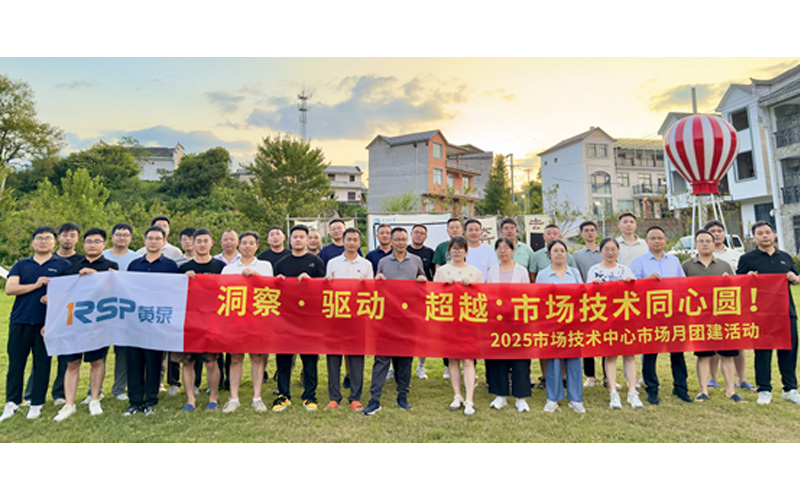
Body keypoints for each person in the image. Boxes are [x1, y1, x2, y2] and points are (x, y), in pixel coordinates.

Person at [1, 227, 71, 422]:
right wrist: (36, 285)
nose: (43, 241)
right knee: (16, 364)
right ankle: (12, 402)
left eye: (48, 238)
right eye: (39, 238)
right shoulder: (21, 265)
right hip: (20, 320)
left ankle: (36, 403)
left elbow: (70, 292)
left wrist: (53, 298)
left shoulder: (62, 265)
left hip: (46, 324)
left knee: (42, 364)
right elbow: (10, 288)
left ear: (54, 243)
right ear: (32, 242)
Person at [53, 228, 120, 422]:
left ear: (104, 245)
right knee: (72, 363)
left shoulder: (111, 266)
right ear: (83, 244)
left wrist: (95, 275)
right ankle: (69, 404)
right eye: (89, 241)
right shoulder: (71, 267)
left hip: (99, 322)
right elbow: (62, 295)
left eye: (97, 241)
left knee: (97, 361)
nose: (92, 245)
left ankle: (95, 399)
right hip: (74, 322)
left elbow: (115, 291)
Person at [363, 227, 427, 415]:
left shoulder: (415, 260)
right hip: (386, 319)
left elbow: (423, 282)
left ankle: (402, 396)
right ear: (391, 242)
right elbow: (376, 288)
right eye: (397, 239)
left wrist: (422, 278)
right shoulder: (383, 262)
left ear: (407, 241)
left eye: (403, 239)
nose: (401, 243)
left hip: (408, 319)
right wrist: (378, 279)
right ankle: (375, 398)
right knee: (381, 359)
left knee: (405, 359)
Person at [736, 221, 800, 405]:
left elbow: (796, 278)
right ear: (754, 237)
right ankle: (764, 389)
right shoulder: (747, 259)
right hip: (760, 314)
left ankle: (790, 388)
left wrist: (795, 278)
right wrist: (748, 278)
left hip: (786, 312)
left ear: (773, 235)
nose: (765, 236)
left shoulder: (785, 257)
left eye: (767, 232)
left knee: (789, 350)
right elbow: (737, 283)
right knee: (763, 352)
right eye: (760, 233)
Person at [123, 225, 179, 416]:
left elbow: (175, 292)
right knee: (134, 362)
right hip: (135, 321)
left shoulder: (171, 266)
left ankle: (150, 401)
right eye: (150, 238)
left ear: (164, 242)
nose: (153, 242)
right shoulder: (134, 265)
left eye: (157, 239)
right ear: (144, 241)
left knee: (153, 362)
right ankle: (135, 401)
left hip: (157, 322)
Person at [631, 226, 690, 405]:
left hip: (673, 311)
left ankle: (680, 387)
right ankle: (652, 388)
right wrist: (647, 281)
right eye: (653, 238)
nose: (657, 241)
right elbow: (633, 287)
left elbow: (683, 283)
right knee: (650, 352)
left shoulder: (674, 260)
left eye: (660, 238)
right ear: (646, 241)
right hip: (650, 312)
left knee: (677, 351)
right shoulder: (638, 262)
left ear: (665, 241)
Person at [682, 230, 743, 403]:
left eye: (708, 241)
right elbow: (680, 289)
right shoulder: (687, 266)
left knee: (727, 355)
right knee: (703, 355)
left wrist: (728, 281)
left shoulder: (724, 266)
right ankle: (703, 390)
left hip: (723, 316)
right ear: (696, 244)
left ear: (713, 243)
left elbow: (736, 288)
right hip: (699, 318)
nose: (705, 244)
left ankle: (731, 390)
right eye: (701, 241)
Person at [272, 225, 326, 412]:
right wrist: (278, 281)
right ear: (290, 240)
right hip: (286, 318)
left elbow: (323, 289)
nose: (298, 240)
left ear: (307, 240)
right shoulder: (281, 263)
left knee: (309, 358)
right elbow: (273, 292)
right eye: (295, 237)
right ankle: (283, 395)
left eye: (302, 237)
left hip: (308, 318)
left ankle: (310, 395)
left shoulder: (316, 262)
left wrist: (311, 282)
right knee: (283, 358)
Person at [586, 238, 643, 409]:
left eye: (613, 249)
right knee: (610, 355)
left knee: (629, 355)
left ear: (618, 251)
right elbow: (587, 294)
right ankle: (613, 391)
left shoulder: (625, 270)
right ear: (601, 251)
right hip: (605, 318)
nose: (610, 253)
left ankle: (632, 391)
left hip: (625, 318)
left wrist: (631, 283)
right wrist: (594, 286)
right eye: (607, 249)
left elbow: (636, 293)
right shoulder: (594, 270)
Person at [221, 231, 274, 413]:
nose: (247, 246)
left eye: (251, 243)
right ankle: (233, 398)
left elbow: (271, 287)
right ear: (239, 245)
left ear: (257, 246)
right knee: (235, 358)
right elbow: (221, 291)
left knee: (257, 357)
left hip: (258, 318)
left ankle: (257, 398)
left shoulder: (265, 266)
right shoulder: (229, 268)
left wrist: (255, 275)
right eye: (244, 243)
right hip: (235, 319)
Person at [174, 228, 225, 412]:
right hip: (189, 321)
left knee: (211, 361)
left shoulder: (220, 267)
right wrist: (183, 280)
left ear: (211, 243)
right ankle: (190, 400)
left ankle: (213, 398)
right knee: (188, 362)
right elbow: (175, 294)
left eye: (205, 241)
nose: (202, 245)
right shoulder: (183, 268)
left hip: (211, 320)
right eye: (198, 241)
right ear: (193, 244)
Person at [433, 236, 484, 416]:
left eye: (460, 248)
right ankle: (457, 395)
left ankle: (469, 399)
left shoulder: (474, 272)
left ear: (466, 251)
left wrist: (472, 287)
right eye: (454, 248)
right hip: (448, 322)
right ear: (449, 251)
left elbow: (483, 296)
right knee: (452, 359)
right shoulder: (442, 271)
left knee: (468, 360)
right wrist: (444, 287)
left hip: (469, 322)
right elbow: (433, 295)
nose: (457, 251)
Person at [324, 228, 373, 412]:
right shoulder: (333, 263)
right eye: (349, 239)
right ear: (343, 242)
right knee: (333, 358)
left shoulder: (366, 264)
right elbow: (327, 289)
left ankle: (355, 397)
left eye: (355, 240)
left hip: (358, 318)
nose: (352, 243)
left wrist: (365, 284)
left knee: (356, 358)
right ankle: (334, 397)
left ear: (360, 243)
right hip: (336, 317)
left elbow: (372, 291)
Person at [536, 240, 586, 413]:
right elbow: (539, 299)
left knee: (574, 361)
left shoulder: (574, 273)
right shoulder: (543, 274)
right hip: (552, 324)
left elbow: (583, 295)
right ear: (549, 254)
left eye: (562, 250)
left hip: (573, 323)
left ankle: (575, 398)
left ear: (566, 254)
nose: (559, 253)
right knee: (554, 361)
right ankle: (553, 398)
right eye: (555, 251)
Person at [704, 220, 754, 392]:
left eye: (719, 231)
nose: (717, 234)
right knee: (713, 341)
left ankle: (741, 379)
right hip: (709, 306)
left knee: (737, 342)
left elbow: (742, 278)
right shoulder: (702, 254)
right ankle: (713, 378)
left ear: (724, 233)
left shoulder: (736, 255)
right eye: (712, 231)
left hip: (732, 304)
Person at [486, 237, 532, 412]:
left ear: (513, 250)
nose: (502, 251)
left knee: (520, 359)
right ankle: (500, 395)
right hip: (497, 322)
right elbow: (489, 294)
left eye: (506, 248)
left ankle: (521, 397)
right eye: (499, 248)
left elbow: (526, 295)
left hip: (517, 321)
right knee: (498, 358)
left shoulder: (521, 271)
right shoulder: (492, 271)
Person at [46, 222, 84, 406]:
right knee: (41, 356)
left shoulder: (82, 261)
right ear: (58, 238)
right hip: (48, 312)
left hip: (71, 314)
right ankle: (31, 395)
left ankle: (59, 393)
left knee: (67, 356)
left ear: (78, 239)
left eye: (72, 235)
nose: (68, 239)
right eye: (65, 235)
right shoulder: (48, 259)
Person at [102, 222, 141, 401]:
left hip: (126, 311)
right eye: (118, 234)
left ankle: (119, 389)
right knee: (98, 351)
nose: (122, 238)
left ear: (131, 238)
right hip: (103, 310)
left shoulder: (136, 258)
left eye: (125, 235)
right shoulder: (102, 255)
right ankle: (94, 391)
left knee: (123, 352)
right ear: (112, 237)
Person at [572, 220, 606, 388]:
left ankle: (607, 375)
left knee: (606, 337)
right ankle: (590, 375)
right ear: (581, 234)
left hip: (606, 300)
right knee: (587, 338)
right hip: (585, 300)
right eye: (586, 230)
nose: (590, 233)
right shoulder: (576, 255)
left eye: (592, 230)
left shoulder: (605, 251)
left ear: (597, 233)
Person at [406, 223, 435, 379]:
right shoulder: (404, 251)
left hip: (423, 297)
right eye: (416, 232)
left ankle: (421, 366)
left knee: (422, 332)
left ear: (426, 236)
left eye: (422, 233)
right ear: (411, 234)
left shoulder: (430, 253)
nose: (418, 235)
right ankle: (395, 366)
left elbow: (434, 274)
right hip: (404, 298)